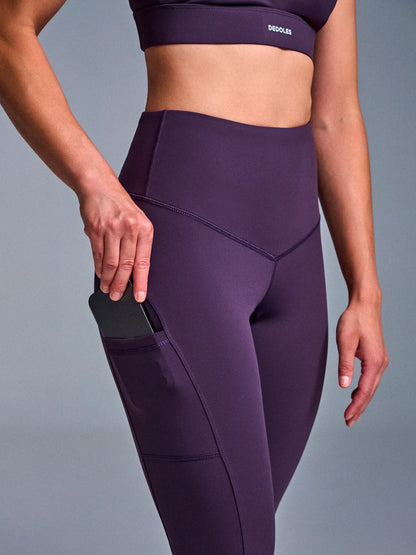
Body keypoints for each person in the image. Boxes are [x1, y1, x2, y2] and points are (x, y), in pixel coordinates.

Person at [0, 0, 389, 553]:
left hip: (297, 270)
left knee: (231, 534)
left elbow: (337, 114)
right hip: (186, 243)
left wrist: (366, 291)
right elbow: (8, 28)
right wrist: (96, 185)